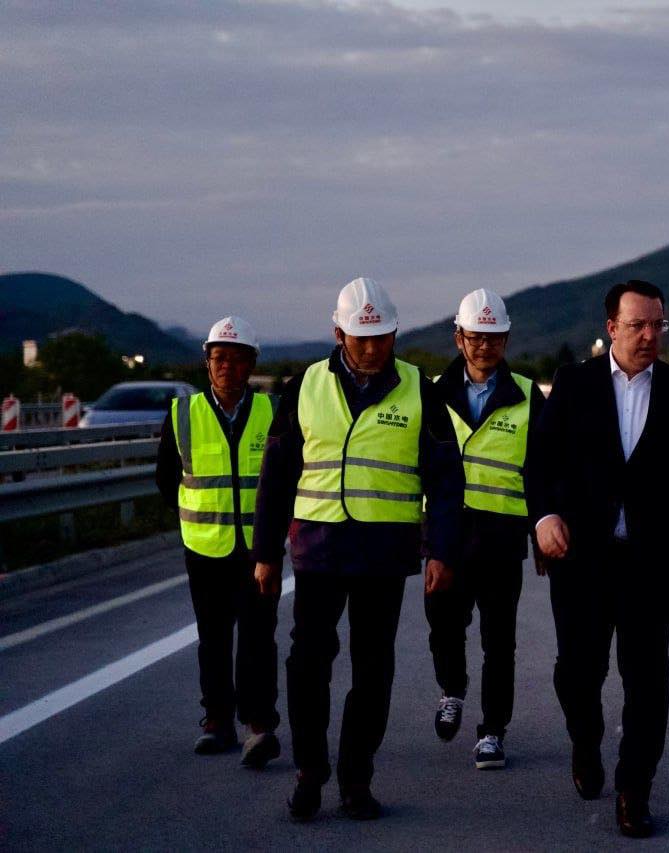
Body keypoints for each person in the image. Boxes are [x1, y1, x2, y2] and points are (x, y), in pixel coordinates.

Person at [252, 277, 463, 822]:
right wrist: (265, 553)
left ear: (395, 334)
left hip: (383, 555)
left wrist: (442, 550)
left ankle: (356, 779)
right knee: (307, 664)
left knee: (373, 670)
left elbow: (446, 480)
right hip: (318, 550)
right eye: (361, 338)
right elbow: (277, 474)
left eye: (382, 337)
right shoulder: (305, 386)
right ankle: (309, 772)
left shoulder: (419, 390)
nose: (372, 348)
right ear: (338, 333)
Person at [526, 279, 669, 838]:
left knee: (647, 677)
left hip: (652, 563)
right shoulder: (574, 382)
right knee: (577, 671)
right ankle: (585, 742)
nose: (649, 335)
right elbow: (540, 461)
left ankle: (635, 790)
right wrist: (544, 518)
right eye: (638, 325)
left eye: (658, 325)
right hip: (579, 557)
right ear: (612, 328)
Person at [425, 287, 545, 770]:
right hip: (447, 537)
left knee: (500, 643)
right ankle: (452, 690)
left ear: (506, 339)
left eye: (493, 337)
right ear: (458, 338)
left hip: (501, 539)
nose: (484, 346)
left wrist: (541, 528)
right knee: (444, 626)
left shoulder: (527, 396)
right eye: (475, 336)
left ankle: (493, 731)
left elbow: (542, 470)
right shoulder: (432, 394)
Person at [155, 315, 281, 767]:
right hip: (205, 548)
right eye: (219, 357)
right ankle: (217, 721)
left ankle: (259, 723)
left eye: (236, 358)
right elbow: (167, 479)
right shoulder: (182, 414)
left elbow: (286, 477)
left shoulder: (273, 411)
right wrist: (199, 520)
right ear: (207, 362)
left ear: (252, 364)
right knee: (212, 638)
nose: (227, 366)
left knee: (258, 638)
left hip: (259, 549)